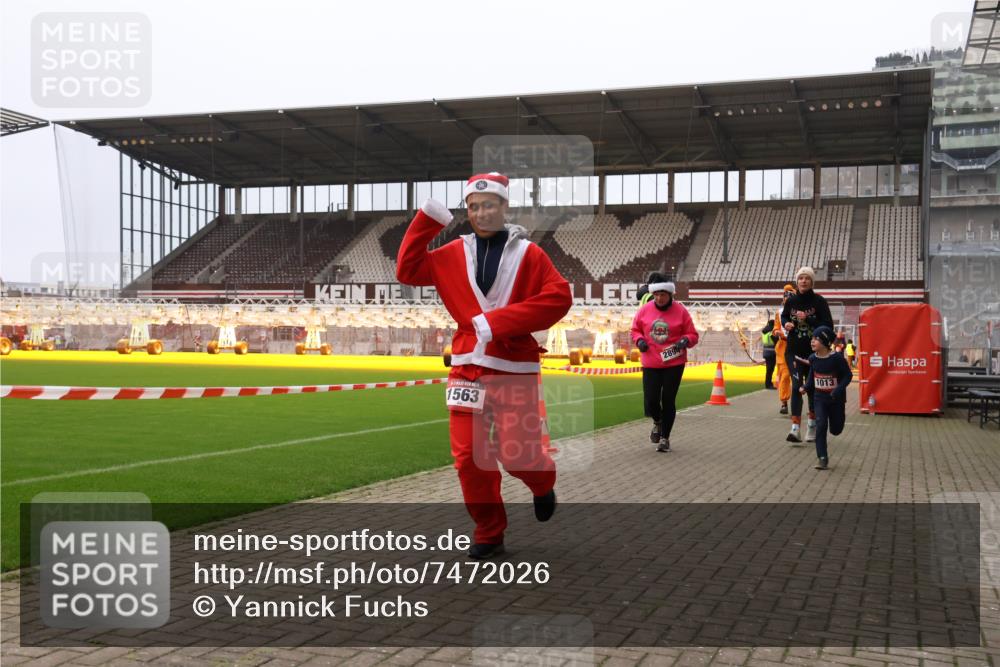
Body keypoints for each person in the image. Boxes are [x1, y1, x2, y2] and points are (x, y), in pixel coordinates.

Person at [396, 171, 572, 560]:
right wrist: (427, 220)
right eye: (473, 207)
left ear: (504, 207)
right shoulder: (451, 255)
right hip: (465, 368)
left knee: (518, 455)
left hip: (514, 368)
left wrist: (496, 323)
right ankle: (489, 532)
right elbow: (407, 270)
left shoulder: (531, 254)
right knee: (468, 459)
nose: (480, 213)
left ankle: (543, 485)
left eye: (488, 205)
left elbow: (559, 298)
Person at [630, 273, 700, 453]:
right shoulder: (645, 310)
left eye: (663, 294)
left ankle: (665, 438)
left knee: (668, 400)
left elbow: (693, 335)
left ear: (670, 294)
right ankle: (657, 422)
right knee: (651, 400)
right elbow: (635, 330)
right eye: (656, 295)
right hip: (651, 362)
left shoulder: (681, 311)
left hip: (673, 363)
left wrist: (686, 340)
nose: (659, 298)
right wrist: (639, 341)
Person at [781, 267, 833, 444]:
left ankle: (812, 424)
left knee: (811, 388)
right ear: (797, 281)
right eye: (800, 278)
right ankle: (795, 429)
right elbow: (784, 316)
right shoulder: (791, 300)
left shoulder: (819, 302)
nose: (803, 281)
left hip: (814, 354)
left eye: (807, 278)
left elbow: (828, 326)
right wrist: (786, 323)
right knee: (796, 387)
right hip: (793, 351)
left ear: (812, 282)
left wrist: (808, 319)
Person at [800, 326, 852, 470]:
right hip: (819, 399)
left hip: (836, 400)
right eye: (812, 338)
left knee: (835, 430)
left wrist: (838, 389)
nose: (812, 341)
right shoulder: (813, 358)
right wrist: (805, 387)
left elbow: (848, 376)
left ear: (825, 341)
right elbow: (812, 377)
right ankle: (822, 458)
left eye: (816, 339)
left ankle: (839, 420)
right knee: (821, 425)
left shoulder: (837, 359)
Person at [773, 285, 794, 414]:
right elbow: (775, 327)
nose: (787, 300)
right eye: (785, 297)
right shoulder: (779, 313)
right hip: (782, 349)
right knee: (785, 376)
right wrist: (777, 332)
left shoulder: (800, 312)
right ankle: (784, 402)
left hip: (797, 348)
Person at [761, 319, 777, 389]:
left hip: (766, 352)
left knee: (769, 370)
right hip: (772, 353)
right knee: (770, 370)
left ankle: (768, 384)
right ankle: (768, 384)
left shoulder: (764, 331)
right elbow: (776, 341)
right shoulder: (771, 332)